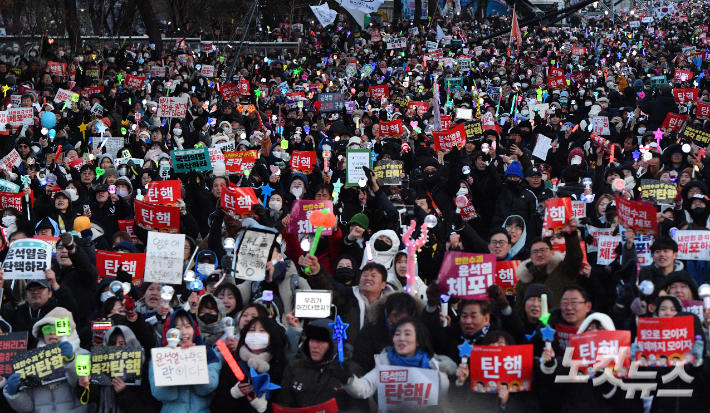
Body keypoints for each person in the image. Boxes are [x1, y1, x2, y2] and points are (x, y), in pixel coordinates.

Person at [339, 317, 457, 409]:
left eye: (407, 334)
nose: (401, 338)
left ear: (418, 341)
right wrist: (348, 379)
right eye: (397, 334)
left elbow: (449, 401)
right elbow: (364, 388)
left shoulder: (435, 367)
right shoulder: (385, 363)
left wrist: (459, 381)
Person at [4, 308, 90, 413]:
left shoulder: (83, 355)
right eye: (47, 329)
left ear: (69, 331)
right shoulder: (31, 361)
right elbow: (28, 408)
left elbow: (82, 386)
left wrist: (71, 360)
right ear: (41, 334)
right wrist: (14, 393)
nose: (52, 333)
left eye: (57, 328)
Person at [277, 319, 362, 411]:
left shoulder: (349, 370)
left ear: (332, 344)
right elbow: (285, 403)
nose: (314, 346)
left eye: (321, 341)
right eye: (312, 340)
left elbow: (358, 407)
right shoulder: (294, 367)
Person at [149, 309, 221, 413]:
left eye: (188, 327)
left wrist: (194, 359)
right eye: (177, 328)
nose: (183, 332)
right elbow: (160, 394)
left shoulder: (209, 354)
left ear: (194, 329)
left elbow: (207, 389)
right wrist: (171, 360)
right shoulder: (160, 357)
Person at [210, 316, 287, 413]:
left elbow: (286, 405)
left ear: (271, 337)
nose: (255, 335)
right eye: (251, 330)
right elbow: (216, 407)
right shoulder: (232, 365)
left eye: (262, 331)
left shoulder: (281, 367)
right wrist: (233, 394)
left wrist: (264, 408)